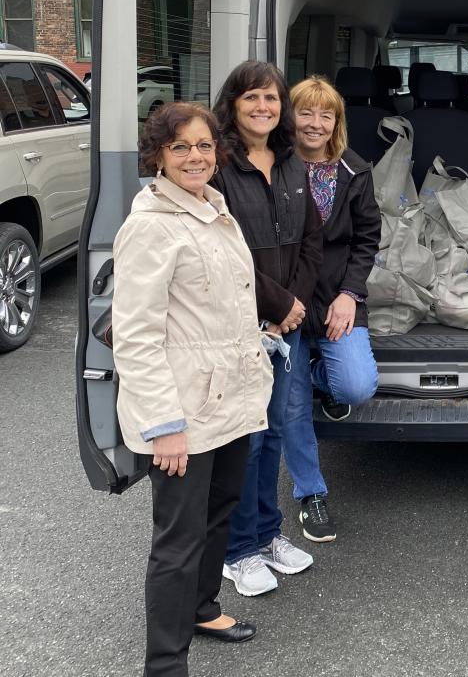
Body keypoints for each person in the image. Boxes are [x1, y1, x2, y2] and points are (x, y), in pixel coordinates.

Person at [112, 103, 273, 676]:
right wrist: (165, 427)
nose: (195, 157)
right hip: (183, 412)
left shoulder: (214, 208)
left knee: (219, 511)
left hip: (229, 400)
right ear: (157, 155)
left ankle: (203, 609)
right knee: (177, 541)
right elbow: (134, 338)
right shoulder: (151, 226)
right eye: (180, 147)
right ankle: (164, 665)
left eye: (204, 146)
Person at [212, 61, 323, 596]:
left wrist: (295, 305)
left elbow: (311, 241)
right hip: (240, 328)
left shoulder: (291, 162)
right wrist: (279, 306)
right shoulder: (217, 165)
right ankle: (237, 551)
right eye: (252, 97)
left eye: (272, 98)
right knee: (247, 441)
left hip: (285, 326)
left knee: (274, 432)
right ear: (233, 103)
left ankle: (267, 534)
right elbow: (223, 253)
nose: (263, 107)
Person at [288, 75, 381, 543]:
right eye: (306, 112)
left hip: (337, 298)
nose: (315, 123)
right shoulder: (273, 167)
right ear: (291, 116)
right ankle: (311, 493)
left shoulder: (354, 170)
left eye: (326, 114)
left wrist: (351, 294)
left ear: (337, 121)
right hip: (283, 302)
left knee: (356, 386)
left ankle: (317, 377)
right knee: (291, 407)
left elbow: (368, 239)